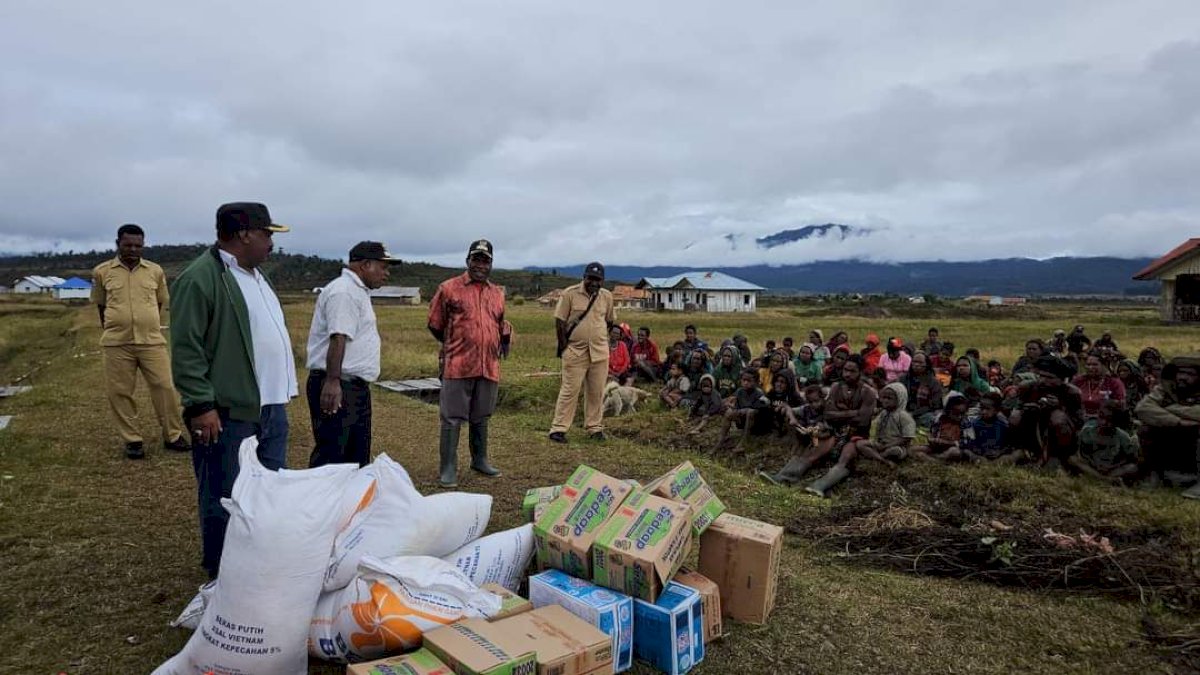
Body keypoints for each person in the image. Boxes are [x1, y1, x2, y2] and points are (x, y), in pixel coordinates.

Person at [171, 202, 296, 579]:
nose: (272, 242)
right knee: (226, 493)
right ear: (244, 234)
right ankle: (222, 573)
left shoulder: (256, 276)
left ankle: (260, 564)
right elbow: (186, 348)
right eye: (267, 233)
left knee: (269, 492)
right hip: (227, 411)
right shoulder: (200, 278)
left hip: (271, 407)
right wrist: (201, 404)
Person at [91, 223, 188, 459]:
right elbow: (102, 305)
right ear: (118, 244)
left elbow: (159, 302)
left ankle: (173, 435)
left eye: (138, 245)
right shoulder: (102, 272)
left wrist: (146, 321)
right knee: (120, 392)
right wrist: (117, 325)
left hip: (151, 341)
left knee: (165, 387)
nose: (133, 249)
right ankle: (132, 440)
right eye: (128, 245)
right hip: (117, 343)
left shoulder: (155, 271)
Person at [306, 241, 400, 469]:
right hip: (339, 386)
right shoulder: (344, 292)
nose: (386, 274)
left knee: (354, 458)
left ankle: (348, 505)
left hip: (352, 386)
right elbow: (338, 337)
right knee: (333, 458)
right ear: (365, 265)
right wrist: (333, 381)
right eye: (383, 267)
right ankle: (323, 505)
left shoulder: (357, 291)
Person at [427, 240, 510, 486]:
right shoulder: (448, 288)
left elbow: (499, 323)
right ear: (467, 261)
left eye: (486, 260)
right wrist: (459, 344)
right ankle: (448, 467)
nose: (480, 265)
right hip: (458, 364)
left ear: (491, 264)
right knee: (452, 417)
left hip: (488, 365)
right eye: (476, 259)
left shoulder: (498, 293)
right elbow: (435, 324)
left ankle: (480, 459)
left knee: (481, 415)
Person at [549, 262, 615, 443]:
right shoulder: (570, 294)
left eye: (598, 279)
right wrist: (565, 347)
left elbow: (609, 321)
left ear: (603, 280)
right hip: (575, 351)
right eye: (590, 278)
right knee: (570, 390)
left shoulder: (607, 296)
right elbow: (560, 322)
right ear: (584, 277)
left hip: (600, 352)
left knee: (596, 392)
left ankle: (594, 427)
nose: (593, 282)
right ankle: (559, 429)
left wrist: (599, 337)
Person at [803, 356, 879, 496]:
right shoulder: (836, 387)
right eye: (845, 370)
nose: (847, 374)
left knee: (846, 457)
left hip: (856, 435)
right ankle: (785, 476)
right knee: (814, 450)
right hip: (835, 430)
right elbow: (828, 414)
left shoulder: (868, 392)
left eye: (852, 371)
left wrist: (840, 413)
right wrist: (852, 412)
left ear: (860, 372)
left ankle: (819, 486)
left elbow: (862, 420)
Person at [1135, 354, 1200, 499]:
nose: (1183, 377)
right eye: (1181, 372)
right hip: (1173, 436)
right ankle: (1153, 474)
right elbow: (1143, 408)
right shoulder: (1165, 389)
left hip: (1195, 439)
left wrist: (1169, 408)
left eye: (1190, 374)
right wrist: (1178, 421)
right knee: (1146, 429)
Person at [1006, 354, 1084, 468]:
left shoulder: (1071, 392)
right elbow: (1015, 408)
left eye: (1049, 377)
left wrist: (1060, 407)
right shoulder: (1028, 387)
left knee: (1058, 417)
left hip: (1058, 436)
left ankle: (1059, 456)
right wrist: (1027, 408)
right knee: (1015, 416)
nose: (1043, 380)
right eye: (1041, 376)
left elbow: (1079, 420)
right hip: (1033, 429)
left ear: (1062, 379)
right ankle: (1024, 451)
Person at [1070, 400, 1138, 484]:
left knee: (1132, 468)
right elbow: (1078, 453)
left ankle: (1102, 478)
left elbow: (1131, 458)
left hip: (1111, 469)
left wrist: (1114, 466)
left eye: (1109, 420)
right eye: (1101, 417)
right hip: (1090, 467)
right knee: (1073, 460)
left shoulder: (1121, 436)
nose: (1104, 422)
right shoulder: (1087, 432)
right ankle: (1103, 479)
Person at [714, 368, 772, 454]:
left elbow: (761, 410)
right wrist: (729, 406)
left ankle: (743, 442)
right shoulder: (740, 391)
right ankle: (721, 440)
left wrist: (743, 411)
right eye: (744, 380)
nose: (746, 383)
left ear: (756, 382)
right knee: (729, 412)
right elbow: (735, 406)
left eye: (749, 381)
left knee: (750, 412)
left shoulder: (759, 393)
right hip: (743, 422)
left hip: (758, 425)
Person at [911, 392, 972, 462]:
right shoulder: (940, 418)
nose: (959, 416)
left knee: (955, 452)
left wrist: (947, 443)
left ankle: (936, 460)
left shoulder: (965, 421)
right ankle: (932, 457)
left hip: (953, 448)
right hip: (938, 447)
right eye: (956, 413)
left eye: (962, 413)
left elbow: (968, 442)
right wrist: (932, 439)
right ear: (948, 410)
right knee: (913, 449)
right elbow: (932, 433)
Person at [962, 392, 1013, 462]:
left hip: (998, 454)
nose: (984, 412)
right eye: (982, 408)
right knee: (966, 452)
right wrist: (980, 452)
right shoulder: (974, 424)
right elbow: (970, 444)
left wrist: (1000, 452)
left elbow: (1008, 444)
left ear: (996, 410)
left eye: (987, 409)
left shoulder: (1003, 425)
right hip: (980, 454)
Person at [1072, 354, 1125, 419]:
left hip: (1104, 421)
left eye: (1095, 364)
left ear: (1104, 365)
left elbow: (1121, 405)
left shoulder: (1114, 383)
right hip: (1079, 419)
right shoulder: (1079, 381)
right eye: (1088, 365)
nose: (1090, 367)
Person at [901, 351, 945, 428]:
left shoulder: (933, 382)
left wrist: (914, 414)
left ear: (926, 365)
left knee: (932, 419)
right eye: (914, 362)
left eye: (920, 363)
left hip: (924, 413)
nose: (917, 365)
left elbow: (934, 405)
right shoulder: (904, 379)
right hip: (904, 411)